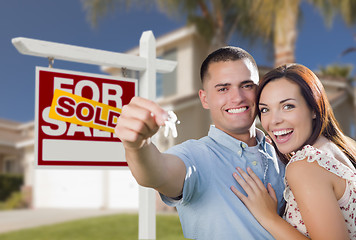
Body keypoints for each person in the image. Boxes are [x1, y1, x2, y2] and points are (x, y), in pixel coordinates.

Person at [115, 46, 286, 239]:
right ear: (205, 99)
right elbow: (158, 173)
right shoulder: (194, 155)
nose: (237, 98)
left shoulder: (281, 152)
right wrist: (137, 146)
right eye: (223, 88)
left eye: (246, 85)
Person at [231, 63, 356, 239]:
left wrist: (269, 218)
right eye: (265, 109)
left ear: (313, 109)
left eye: (287, 106)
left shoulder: (306, 166)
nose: (273, 121)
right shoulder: (338, 149)